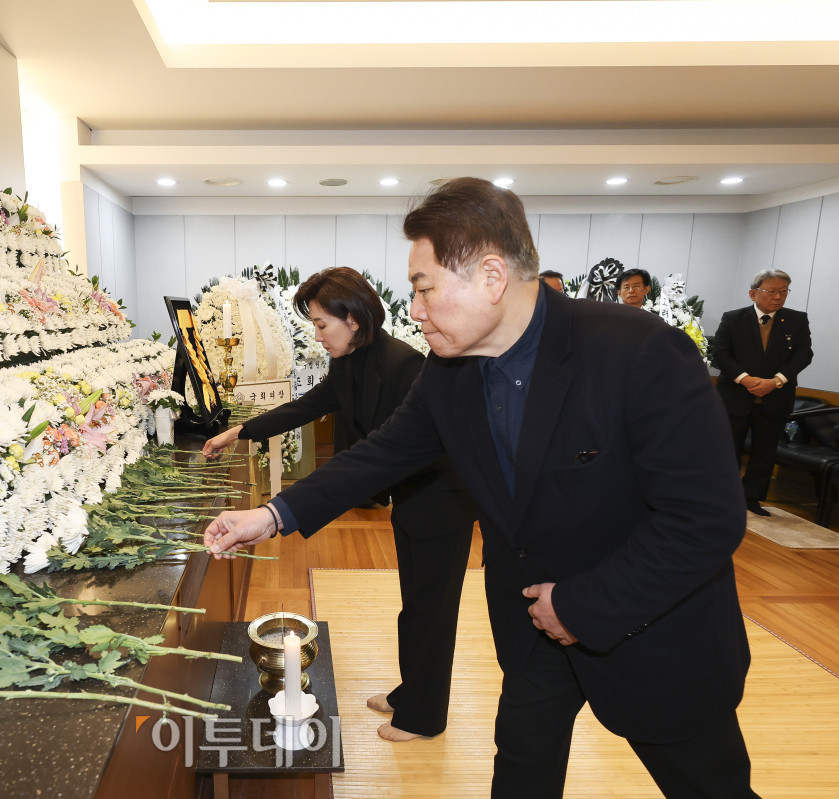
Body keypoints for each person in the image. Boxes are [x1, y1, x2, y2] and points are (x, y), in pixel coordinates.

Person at [206, 178, 758, 798]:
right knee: (520, 775)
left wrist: (579, 607)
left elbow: (704, 519)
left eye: (423, 288)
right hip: (530, 628)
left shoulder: (638, 352)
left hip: (649, 629)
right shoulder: (450, 372)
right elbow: (382, 453)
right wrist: (274, 513)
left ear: (491, 276)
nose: (413, 310)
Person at [203, 267, 474, 743]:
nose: (317, 334)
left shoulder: (404, 363)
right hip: (411, 498)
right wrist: (240, 431)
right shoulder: (350, 362)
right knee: (415, 606)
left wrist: (280, 514)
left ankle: (425, 717)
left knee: (432, 611)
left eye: (321, 323)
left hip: (441, 502)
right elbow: (306, 406)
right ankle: (413, 692)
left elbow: (389, 452)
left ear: (353, 319)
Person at [712, 269, 813, 516]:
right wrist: (745, 379)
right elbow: (720, 354)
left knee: (765, 451)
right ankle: (724, 495)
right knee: (728, 448)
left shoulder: (797, 320)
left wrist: (776, 381)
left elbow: (804, 354)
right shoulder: (733, 318)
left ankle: (752, 498)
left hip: (776, 396)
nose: (778, 297)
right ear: (753, 293)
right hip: (736, 396)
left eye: (784, 291)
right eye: (771, 291)